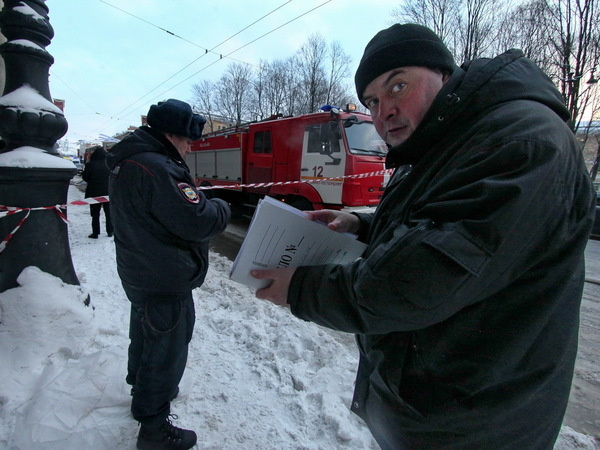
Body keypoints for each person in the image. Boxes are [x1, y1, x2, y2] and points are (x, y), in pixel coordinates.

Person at [252, 23, 596, 449]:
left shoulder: (520, 140)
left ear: (445, 75)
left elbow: (423, 278)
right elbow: (437, 221)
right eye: (373, 101)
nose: (383, 112)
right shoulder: (444, 143)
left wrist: (302, 288)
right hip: (439, 402)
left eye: (398, 86)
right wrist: (362, 224)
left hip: (476, 422)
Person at [106, 99, 231, 450]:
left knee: (145, 336)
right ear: (171, 134)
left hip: (141, 271)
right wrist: (220, 205)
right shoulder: (158, 167)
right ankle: (154, 428)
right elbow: (197, 220)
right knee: (167, 351)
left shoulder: (129, 160)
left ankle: (141, 390)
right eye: (188, 139)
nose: (191, 147)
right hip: (164, 276)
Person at [81, 145, 113, 239]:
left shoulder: (90, 164)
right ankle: (110, 231)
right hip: (108, 193)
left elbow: (85, 178)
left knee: (95, 214)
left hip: (93, 193)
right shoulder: (109, 164)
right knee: (109, 213)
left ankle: (95, 233)